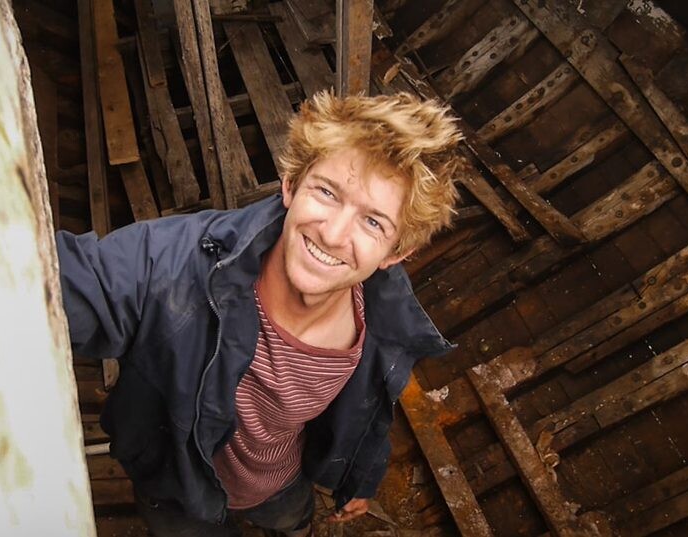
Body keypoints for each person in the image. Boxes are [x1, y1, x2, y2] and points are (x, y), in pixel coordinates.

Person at [56, 90, 463, 536]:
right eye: (327, 192)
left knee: (293, 523)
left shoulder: (383, 327)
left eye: (373, 222)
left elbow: (370, 412)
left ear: (396, 253)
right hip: (177, 492)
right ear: (290, 184)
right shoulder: (170, 265)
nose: (333, 234)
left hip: (280, 485)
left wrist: (359, 481)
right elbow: (74, 281)